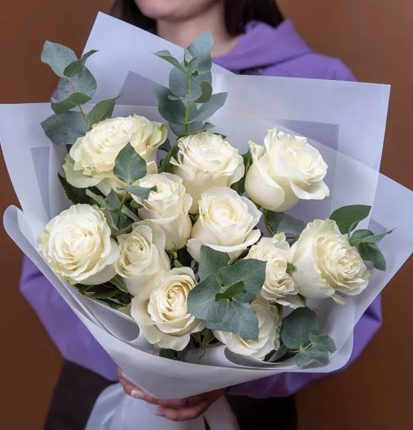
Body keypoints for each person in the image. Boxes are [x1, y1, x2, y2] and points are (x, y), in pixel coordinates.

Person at [20, 0, 383, 428]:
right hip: (101, 387)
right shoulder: (89, 84)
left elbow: (355, 299)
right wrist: (135, 368)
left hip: (246, 406)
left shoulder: (320, 81)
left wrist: (232, 375)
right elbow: (43, 263)